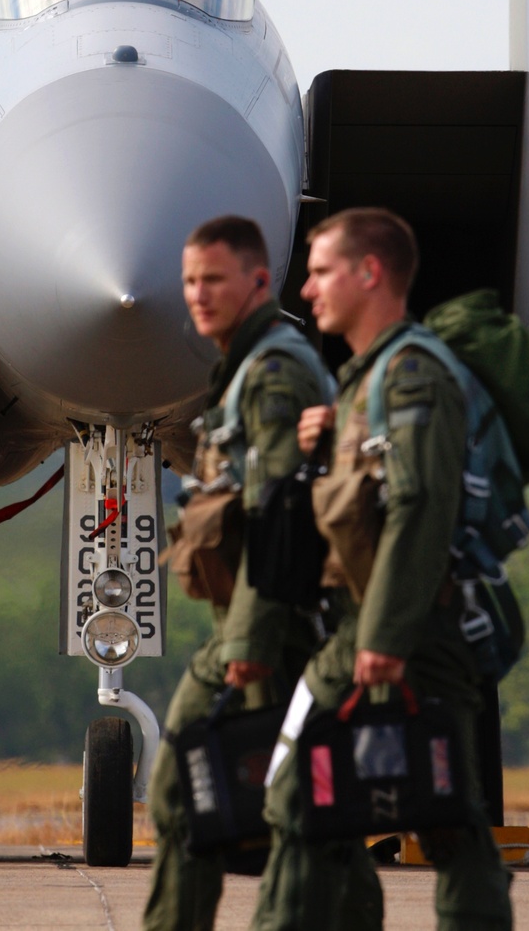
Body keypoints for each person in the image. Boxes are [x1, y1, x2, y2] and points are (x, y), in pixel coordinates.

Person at [250, 207, 512, 931]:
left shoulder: (412, 375)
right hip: (382, 628)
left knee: (301, 799)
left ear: (370, 274)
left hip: (406, 633)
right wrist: (327, 440)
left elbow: (422, 504)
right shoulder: (369, 381)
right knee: (441, 823)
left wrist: (385, 638)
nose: (306, 290)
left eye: (323, 271)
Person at [142, 215, 334, 931]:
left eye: (214, 279)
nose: (198, 294)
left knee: (187, 798)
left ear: (259, 281)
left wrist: (248, 644)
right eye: (190, 280)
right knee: (302, 821)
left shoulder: (274, 373)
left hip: (269, 633)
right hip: (261, 629)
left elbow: (279, 513)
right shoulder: (250, 368)